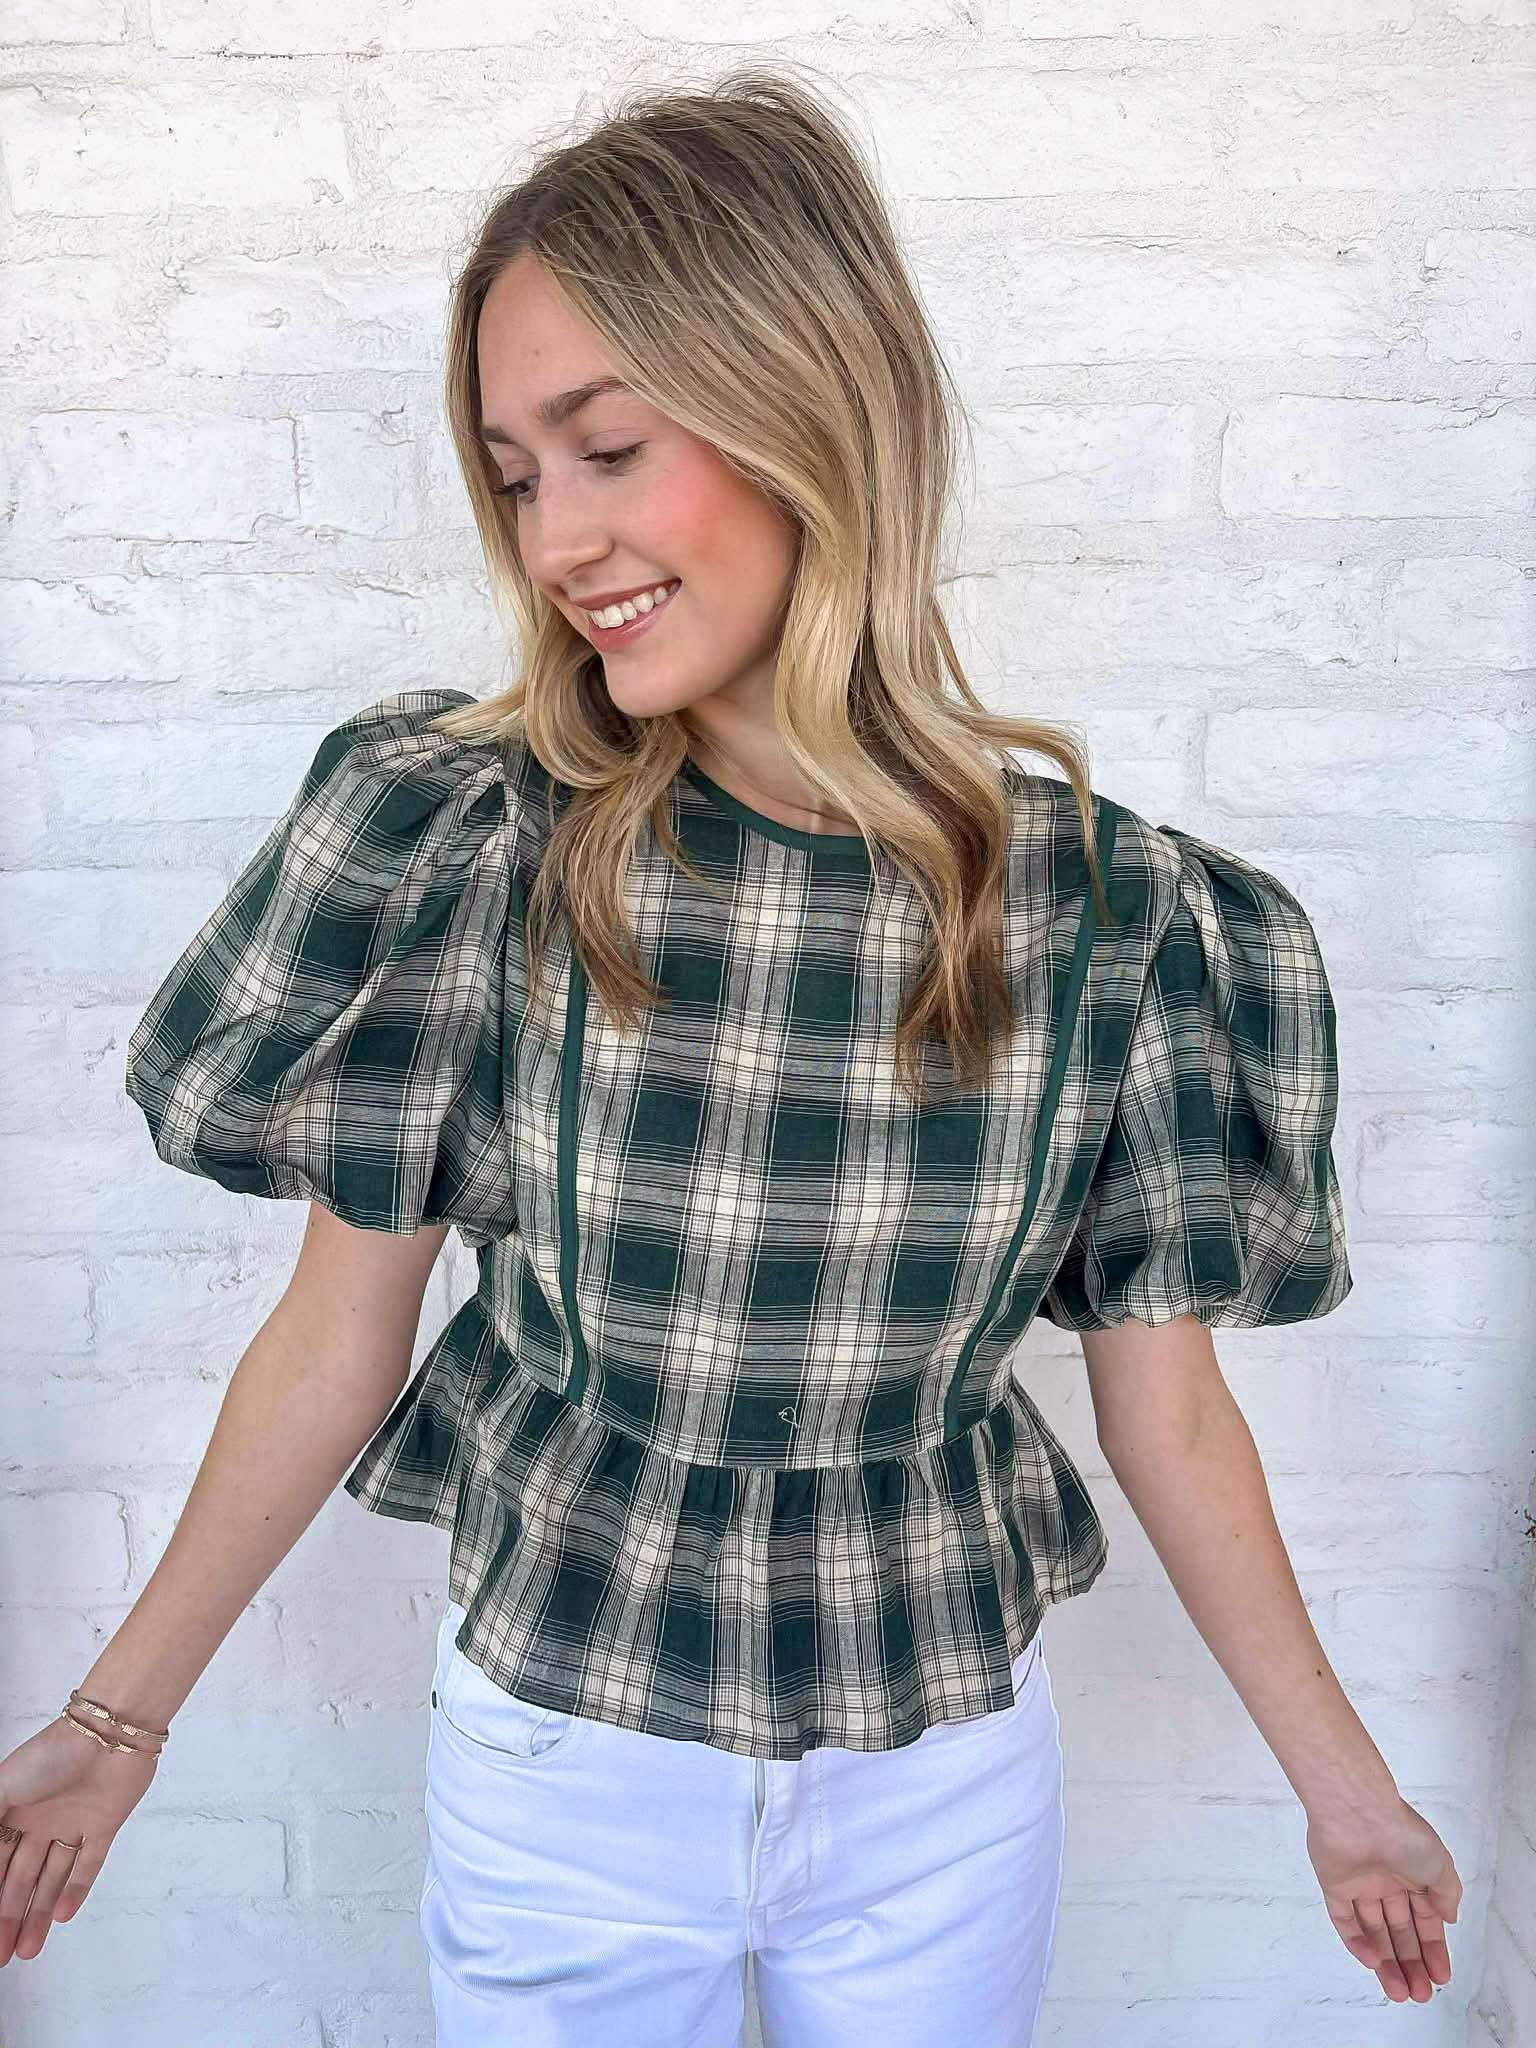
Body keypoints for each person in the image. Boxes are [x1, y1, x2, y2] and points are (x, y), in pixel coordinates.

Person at [0, 63, 1461, 2048]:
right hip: (563, 1761)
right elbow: (338, 1333)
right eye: (519, 474)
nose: (555, 539)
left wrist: (1347, 1791)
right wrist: (117, 1722)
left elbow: (1173, 1415)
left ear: (808, 412)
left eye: (607, 447)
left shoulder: (1116, 919)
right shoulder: (483, 850)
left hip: (942, 1775)